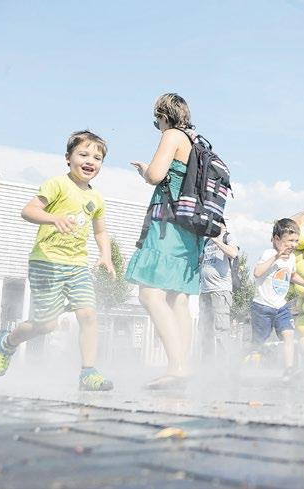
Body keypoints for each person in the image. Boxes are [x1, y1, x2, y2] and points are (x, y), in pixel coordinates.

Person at [0, 130, 115, 391]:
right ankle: (6, 341)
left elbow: (100, 231)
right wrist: (53, 218)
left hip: (78, 266)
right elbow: (29, 210)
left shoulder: (96, 198)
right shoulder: (57, 184)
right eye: (83, 154)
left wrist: (105, 255)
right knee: (46, 325)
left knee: (88, 314)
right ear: (68, 157)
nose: (90, 160)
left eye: (97, 157)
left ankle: (88, 373)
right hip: (46, 263)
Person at [126, 93, 203, 389]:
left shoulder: (172, 135)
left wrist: (145, 170)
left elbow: (157, 175)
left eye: (156, 119)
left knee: (150, 294)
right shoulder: (195, 141)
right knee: (177, 298)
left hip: (168, 225)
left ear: (163, 115)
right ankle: (182, 366)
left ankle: (178, 366)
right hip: (191, 229)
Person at [250, 218, 304, 382]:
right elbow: (257, 273)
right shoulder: (269, 254)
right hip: (262, 307)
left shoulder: (292, 259)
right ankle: (241, 363)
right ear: (277, 240)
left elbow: (291, 275)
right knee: (258, 343)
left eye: (296, 241)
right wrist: (276, 257)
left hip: (281, 307)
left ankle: (289, 370)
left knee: (288, 335)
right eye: (289, 241)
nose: (293, 245)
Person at [199, 223, 239, 365]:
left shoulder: (228, 237)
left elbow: (234, 253)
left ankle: (225, 366)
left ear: (222, 225)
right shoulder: (206, 241)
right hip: (204, 291)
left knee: (221, 330)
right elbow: (201, 260)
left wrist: (217, 239)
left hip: (221, 291)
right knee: (205, 330)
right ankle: (207, 366)